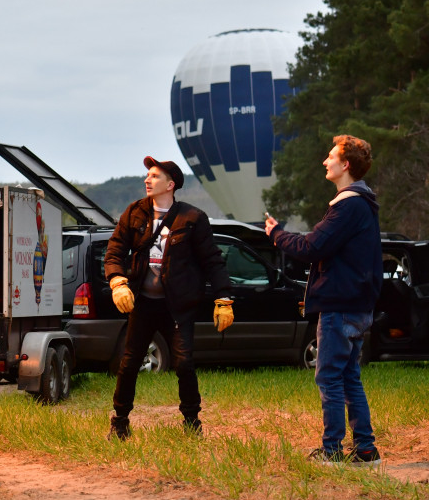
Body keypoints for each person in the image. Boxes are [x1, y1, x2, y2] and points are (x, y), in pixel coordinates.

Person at [265, 135, 382, 467]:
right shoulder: (363, 204)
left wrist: (275, 234)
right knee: (348, 377)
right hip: (357, 305)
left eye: (330, 156)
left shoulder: (348, 206)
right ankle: (365, 450)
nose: (324, 161)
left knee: (328, 376)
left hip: (340, 306)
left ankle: (331, 452)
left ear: (345, 165)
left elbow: (312, 247)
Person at [104, 157, 234, 440]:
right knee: (129, 363)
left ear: (171, 184)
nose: (147, 180)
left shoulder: (193, 218)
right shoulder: (134, 213)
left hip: (177, 306)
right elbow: (114, 250)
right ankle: (120, 421)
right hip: (143, 304)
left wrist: (223, 298)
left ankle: (191, 422)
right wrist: (117, 280)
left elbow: (213, 261)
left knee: (184, 363)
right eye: (147, 175)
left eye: (154, 176)